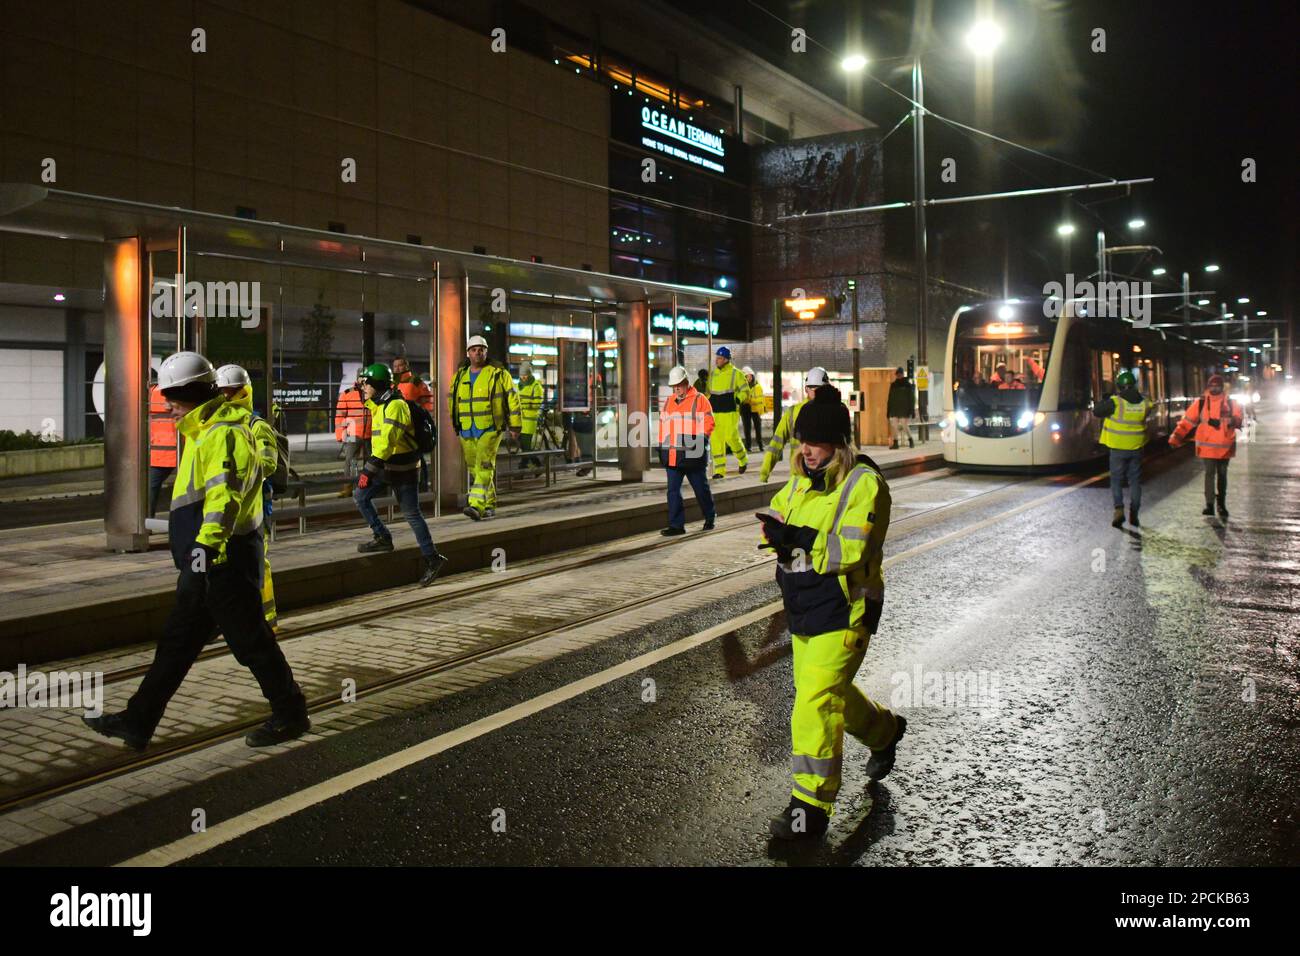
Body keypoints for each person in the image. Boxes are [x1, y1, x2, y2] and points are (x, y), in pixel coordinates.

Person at [84, 352, 310, 751]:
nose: (167, 404)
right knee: (177, 644)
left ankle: (291, 714)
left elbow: (224, 497)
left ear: (187, 392)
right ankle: (138, 721)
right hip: (207, 561)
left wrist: (206, 546)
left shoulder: (223, 432)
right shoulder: (206, 430)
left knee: (250, 643)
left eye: (171, 396)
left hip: (221, 561)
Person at [757, 385, 902, 841]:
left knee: (814, 701)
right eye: (802, 442)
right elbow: (781, 512)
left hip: (846, 609)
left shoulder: (865, 483)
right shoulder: (802, 477)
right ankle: (884, 732)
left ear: (839, 443)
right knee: (829, 693)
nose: (806, 451)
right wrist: (778, 532)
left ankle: (810, 808)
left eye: (816, 444)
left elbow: (851, 550)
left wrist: (801, 540)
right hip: (803, 605)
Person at [352, 363, 447, 586]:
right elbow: (371, 407)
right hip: (388, 466)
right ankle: (382, 537)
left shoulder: (396, 406)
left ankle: (433, 559)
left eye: (366, 383)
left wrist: (369, 469)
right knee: (361, 496)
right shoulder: (381, 403)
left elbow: (387, 442)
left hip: (403, 469)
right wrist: (362, 391)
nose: (363, 387)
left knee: (411, 514)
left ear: (377, 384)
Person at [216, 364, 281, 629]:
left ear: (241, 392)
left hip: (253, 509)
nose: (224, 398)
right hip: (229, 510)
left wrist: (237, 474)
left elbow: (268, 464)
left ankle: (266, 620)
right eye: (221, 392)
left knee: (257, 565)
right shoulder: (222, 425)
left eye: (228, 392)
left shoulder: (257, 425)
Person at [449, 334, 521, 520]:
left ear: (486, 352)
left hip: (490, 428)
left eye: (481, 349)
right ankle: (489, 503)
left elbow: (513, 400)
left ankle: (475, 504)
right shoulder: (459, 376)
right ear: (468, 353)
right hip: (466, 428)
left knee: (484, 464)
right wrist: (455, 424)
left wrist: (515, 426)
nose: (477, 353)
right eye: (474, 350)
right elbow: (453, 402)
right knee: (475, 467)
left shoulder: (498, 373)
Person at [1169, 373, 1243, 518]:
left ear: (1222, 387)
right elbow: (1187, 422)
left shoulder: (1230, 402)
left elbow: (1239, 419)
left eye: (1217, 386)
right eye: (1212, 386)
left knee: (1220, 475)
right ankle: (1211, 505)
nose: (1214, 388)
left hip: (1224, 446)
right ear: (1208, 387)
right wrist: (1176, 437)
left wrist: (1227, 422)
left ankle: (1220, 504)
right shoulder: (1201, 403)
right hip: (1209, 447)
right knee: (1211, 474)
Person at [658, 366, 717, 536]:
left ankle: (710, 516)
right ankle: (677, 525)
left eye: (679, 385)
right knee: (672, 491)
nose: (676, 388)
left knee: (700, 488)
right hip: (674, 453)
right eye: (674, 386)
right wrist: (663, 446)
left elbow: (709, 422)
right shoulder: (669, 401)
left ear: (686, 383)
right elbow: (663, 425)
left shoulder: (700, 399)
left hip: (692, 452)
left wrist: (702, 439)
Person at [1092, 369, 1152, 528]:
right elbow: (1147, 407)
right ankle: (1134, 513)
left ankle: (1119, 510)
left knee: (1117, 480)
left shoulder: (1116, 402)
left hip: (1118, 448)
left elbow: (1097, 411)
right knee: (1135, 482)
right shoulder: (1145, 403)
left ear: (1119, 386)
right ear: (1134, 385)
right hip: (1137, 447)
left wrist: (1105, 400)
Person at [759, 367, 828, 482]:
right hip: (806, 477)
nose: (816, 391)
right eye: (813, 387)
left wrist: (764, 475)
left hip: (812, 477)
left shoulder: (793, 412)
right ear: (806, 389)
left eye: (819, 388)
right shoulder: (792, 413)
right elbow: (775, 446)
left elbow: (775, 446)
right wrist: (764, 474)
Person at [706, 346, 750, 478]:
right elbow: (709, 393)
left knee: (731, 437)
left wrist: (738, 399)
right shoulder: (713, 374)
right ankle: (719, 471)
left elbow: (746, 391)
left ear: (726, 359)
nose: (717, 360)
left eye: (719, 358)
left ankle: (743, 459)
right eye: (716, 358)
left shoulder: (737, 374)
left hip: (730, 412)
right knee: (716, 441)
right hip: (715, 413)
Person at [392, 356, 434, 490]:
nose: (397, 368)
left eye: (400, 365)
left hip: (414, 423)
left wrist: (422, 416)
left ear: (406, 366)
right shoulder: (392, 383)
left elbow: (427, 401)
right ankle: (405, 485)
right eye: (395, 366)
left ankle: (422, 485)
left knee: (417, 455)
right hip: (397, 423)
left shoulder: (416, 381)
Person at [334, 372, 371, 497]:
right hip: (352, 433)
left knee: (371, 463)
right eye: (361, 377)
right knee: (350, 462)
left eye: (366, 378)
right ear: (357, 378)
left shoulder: (373, 392)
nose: (363, 380)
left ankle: (368, 487)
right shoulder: (347, 393)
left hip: (371, 433)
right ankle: (348, 488)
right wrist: (340, 435)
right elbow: (340, 416)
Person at [148, 374, 177, 515]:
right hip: (180, 451)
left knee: (151, 489)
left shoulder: (151, 392)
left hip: (158, 453)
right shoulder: (177, 393)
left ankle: (146, 523)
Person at [516, 361, 546, 470]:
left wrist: (523, 405)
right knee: (524, 446)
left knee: (526, 446)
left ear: (529, 375)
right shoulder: (518, 386)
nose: (523, 378)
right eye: (521, 376)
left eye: (525, 376)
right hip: (519, 420)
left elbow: (537, 404)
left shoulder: (536, 386)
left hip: (529, 420)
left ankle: (523, 467)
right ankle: (537, 466)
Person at [886, 366, 915, 449]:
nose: (898, 376)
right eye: (897, 374)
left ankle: (910, 439)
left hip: (903, 409)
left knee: (904, 425)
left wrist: (911, 411)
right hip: (895, 409)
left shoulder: (908, 385)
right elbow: (890, 398)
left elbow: (911, 399)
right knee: (894, 426)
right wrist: (888, 411)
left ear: (902, 374)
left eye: (900, 374)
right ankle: (895, 443)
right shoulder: (893, 385)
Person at [739, 365, 764, 452]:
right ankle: (748, 446)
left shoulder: (757, 386)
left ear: (752, 375)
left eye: (748, 376)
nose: (747, 378)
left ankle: (760, 444)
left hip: (755, 408)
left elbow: (760, 398)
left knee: (758, 427)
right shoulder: (741, 386)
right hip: (745, 408)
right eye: (745, 376)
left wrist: (751, 401)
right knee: (747, 428)